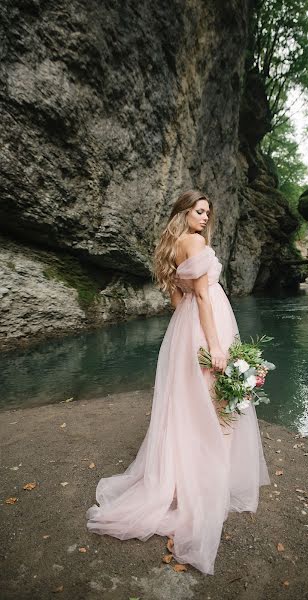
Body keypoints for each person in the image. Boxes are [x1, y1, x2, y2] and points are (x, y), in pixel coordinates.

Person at [86, 189, 270, 575]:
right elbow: (203, 298)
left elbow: (179, 300)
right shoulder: (196, 242)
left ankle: (182, 476)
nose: (204, 217)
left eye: (207, 212)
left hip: (183, 328)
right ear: (184, 213)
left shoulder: (170, 246)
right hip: (207, 324)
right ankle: (206, 481)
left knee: (188, 401)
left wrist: (195, 330)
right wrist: (217, 345)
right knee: (214, 399)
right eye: (198, 211)